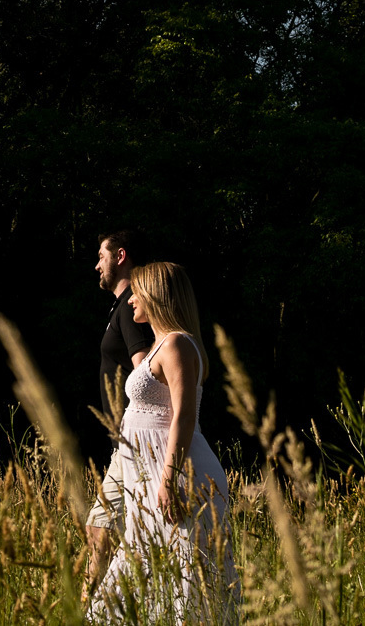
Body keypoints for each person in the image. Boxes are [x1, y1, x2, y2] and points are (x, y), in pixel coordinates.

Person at [89, 262, 238, 623]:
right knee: (143, 573)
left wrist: (170, 479)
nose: (131, 300)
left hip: (176, 473)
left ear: (156, 295)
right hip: (150, 474)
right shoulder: (160, 345)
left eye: (137, 292)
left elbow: (184, 416)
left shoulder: (177, 344)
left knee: (186, 580)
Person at [84, 230, 154, 600]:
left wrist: (139, 434)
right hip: (125, 442)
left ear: (120, 255)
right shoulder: (122, 305)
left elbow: (146, 372)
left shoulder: (131, 306)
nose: (97, 264)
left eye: (101, 256)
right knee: (121, 535)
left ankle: (89, 609)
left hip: (133, 443)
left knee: (101, 528)